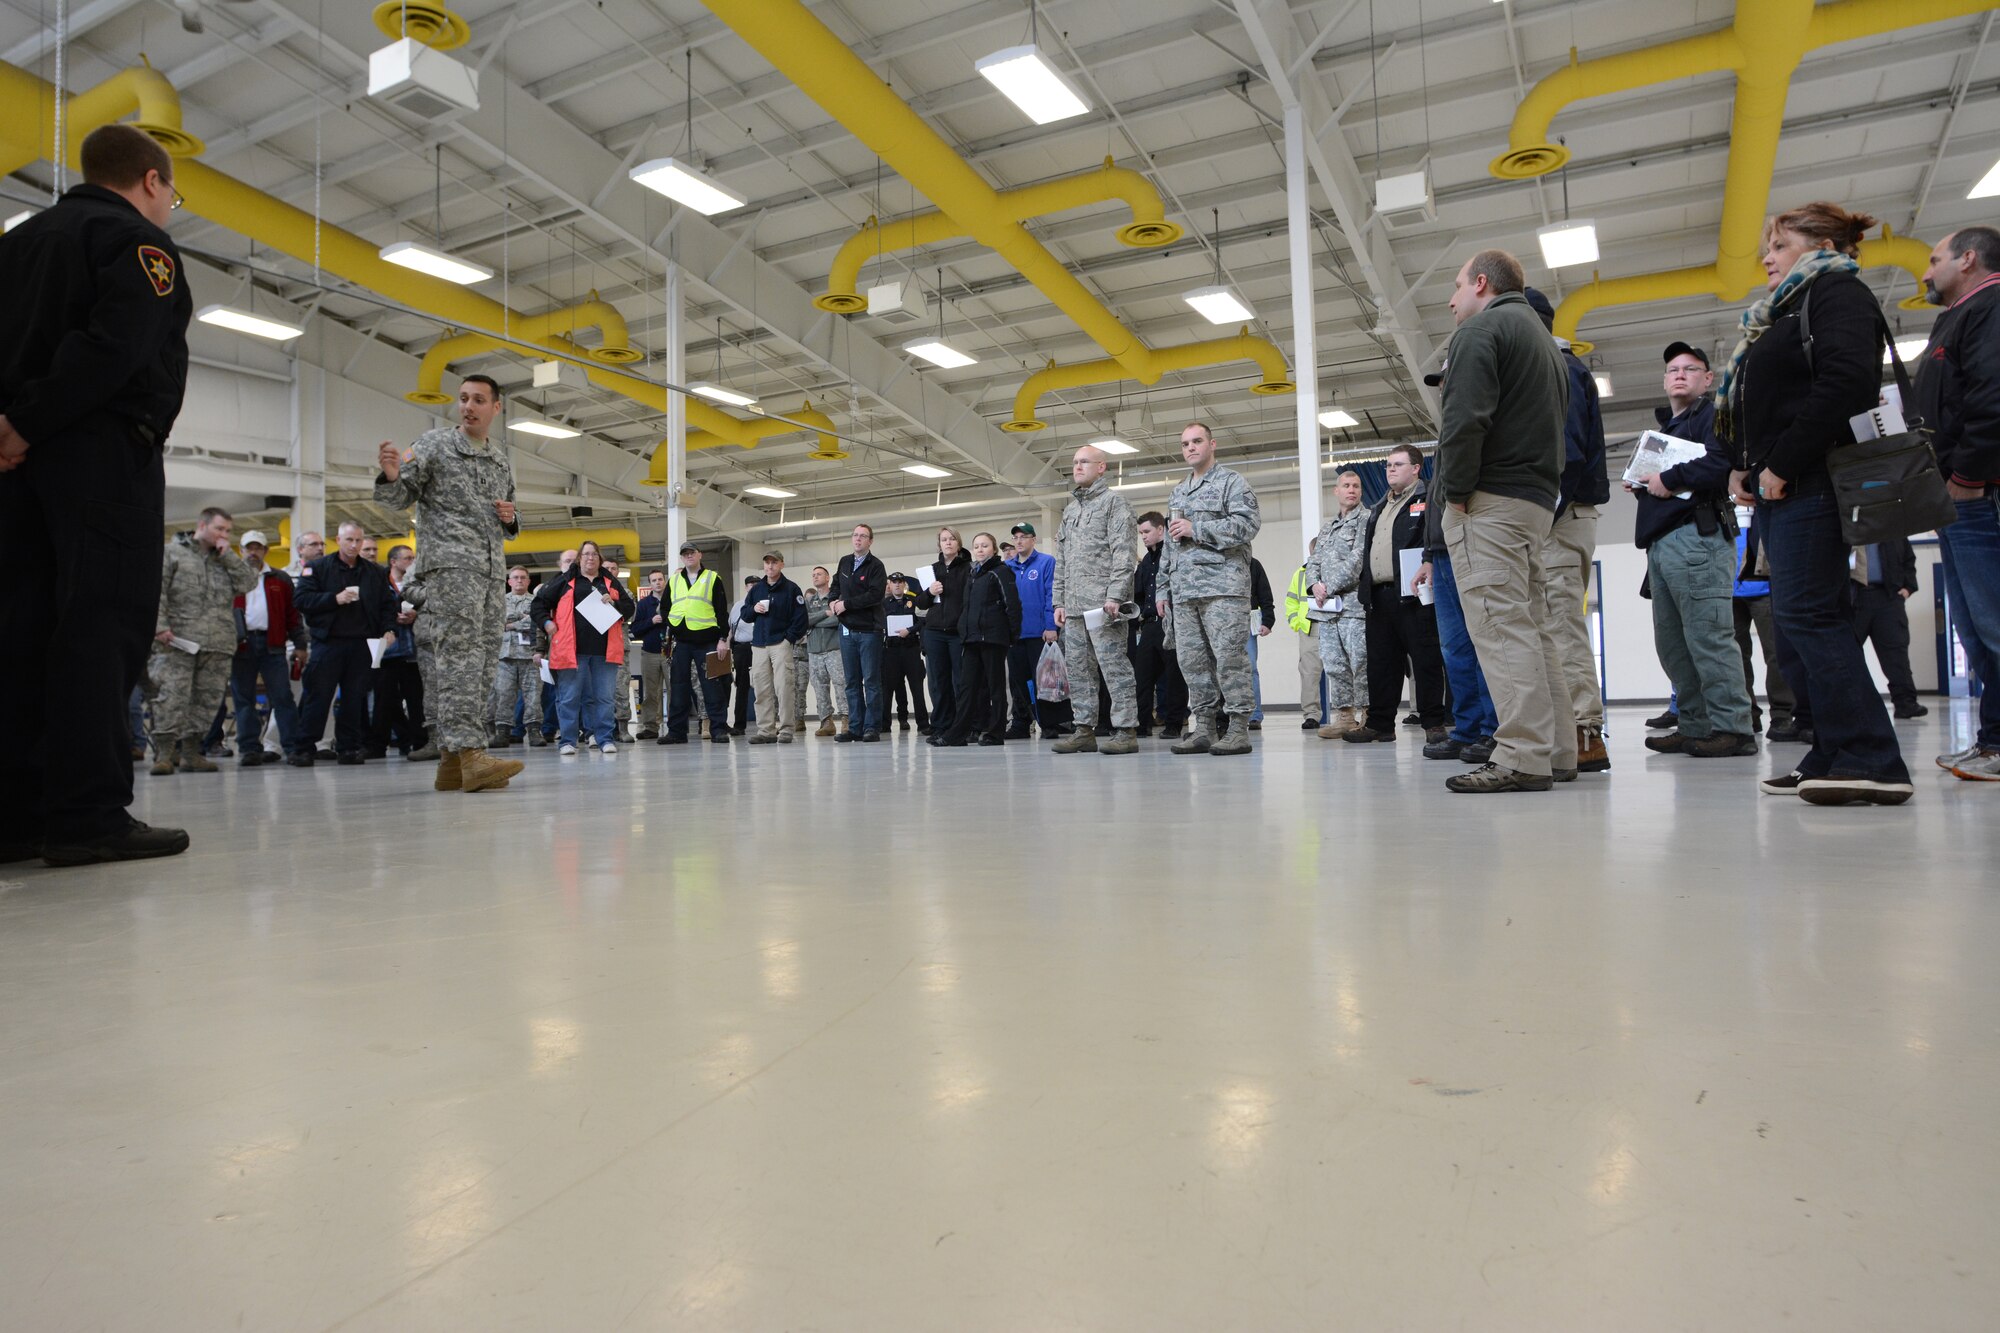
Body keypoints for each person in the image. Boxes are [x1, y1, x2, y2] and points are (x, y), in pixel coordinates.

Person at [0, 124, 195, 865]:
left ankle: (16, 815)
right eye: (172, 192)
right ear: (152, 180)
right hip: (100, 456)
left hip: (14, 466)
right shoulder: (132, 241)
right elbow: (116, 344)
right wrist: (34, 419)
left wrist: (12, 428)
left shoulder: (17, 244)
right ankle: (86, 812)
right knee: (99, 627)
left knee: (18, 628)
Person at [1721, 201, 1913, 805]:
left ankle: (1870, 758)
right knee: (1803, 621)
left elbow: (1847, 383)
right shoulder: (1785, 310)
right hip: (1786, 483)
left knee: (1810, 617)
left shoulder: (1837, 293)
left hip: (1813, 480)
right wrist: (1749, 467)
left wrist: (1781, 462)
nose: (1767, 258)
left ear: (1822, 242)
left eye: (1778, 245)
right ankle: (1831, 750)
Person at [1434, 249, 1578, 793]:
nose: (1451, 301)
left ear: (1480, 283)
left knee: (1499, 625)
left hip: (1489, 501)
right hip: (1536, 500)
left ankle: (1520, 756)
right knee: (1534, 628)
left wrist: (1457, 493)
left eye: (1455, 288)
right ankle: (1558, 749)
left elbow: (1465, 423)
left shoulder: (1480, 332)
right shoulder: (1544, 341)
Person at [373, 375, 524, 792]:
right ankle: (471, 754)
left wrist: (511, 518)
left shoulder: (499, 458)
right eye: (463, 399)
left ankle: (450, 764)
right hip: (452, 568)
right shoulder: (434, 445)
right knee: (458, 659)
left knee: (482, 661)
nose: (468, 406)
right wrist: (390, 476)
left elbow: (510, 519)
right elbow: (398, 497)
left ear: (496, 408)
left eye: (478, 400)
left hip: (492, 571)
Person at [1633, 341, 1759, 759]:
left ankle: (1733, 728)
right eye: (1672, 369)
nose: (1679, 374)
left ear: (1708, 379)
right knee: (1673, 644)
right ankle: (1695, 725)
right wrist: (1644, 482)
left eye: (1690, 368)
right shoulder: (1667, 430)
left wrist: (1668, 478)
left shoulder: (1713, 417)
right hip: (1664, 543)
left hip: (1697, 537)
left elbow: (1723, 461)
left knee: (1709, 637)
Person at [1915, 225, 2000, 780]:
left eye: (1934, 259)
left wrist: (1969, 476)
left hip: (1977, 494)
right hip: (1956, 496)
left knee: (1994, 626)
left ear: (1967, 259)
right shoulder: (1959, 316)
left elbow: (1993, 396)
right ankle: (1994, 742)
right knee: (1978, 632)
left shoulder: (1990, 306)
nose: (1924, 271)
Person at [1524, 287, 1611, 772]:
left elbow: (1569, 453)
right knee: (1550, 625)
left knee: (1561, 625)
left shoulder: (1564, 371)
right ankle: (1565, 729)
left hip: (1562, 513)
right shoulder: (1556, 370)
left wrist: (1541, 514)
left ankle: (1585, 733)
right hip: (1559, 514)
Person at [1156, 421, 1263, 756]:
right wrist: (1162, 588)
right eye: (1185, 443)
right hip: (1185, 592)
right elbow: (1170, 545)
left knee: (1230, 659)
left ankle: (1237, 728)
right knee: (1193, 662)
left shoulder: (1232, 482)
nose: (1191, 447)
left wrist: (1196, 527)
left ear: (1212, 444)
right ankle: (1203, 726)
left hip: (1223, 587)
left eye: (1197, 441)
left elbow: (1247, 525)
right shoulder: (1178, 491)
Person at [1349, 444, 1448, 745]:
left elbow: (1435, 536)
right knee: (1381, 663)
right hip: (1379, 596)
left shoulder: (1428, 496)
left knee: (1425, 659)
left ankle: (1433, 722)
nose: (1390, 469)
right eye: (1388, 465)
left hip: (1415, 593)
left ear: (1416, 468)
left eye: (1398, 464)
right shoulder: (1379, 506)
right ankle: (1380, 724)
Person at [148, 507, 258, 776]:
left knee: (206, 702)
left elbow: (248, 583)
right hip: (176, 641)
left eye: (228, 531)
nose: (224, 535)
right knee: (171, 697)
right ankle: (163, 754)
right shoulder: (172, 552)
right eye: (219, 529)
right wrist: (159, 627)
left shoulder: (225, 560)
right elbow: (156, 590)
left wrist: (229, 555)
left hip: (217, 642)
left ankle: (191, 753)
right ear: (202, 525)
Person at [1051, 444, 1140, 755]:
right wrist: (1058, 601)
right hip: (1073, 608)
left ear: (1102, 467)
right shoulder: (1071, 510)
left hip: (1104, 606)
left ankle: (1126, 730)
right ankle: (1084, 729)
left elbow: (1124, 554)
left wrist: (1115, 596)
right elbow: (1061, 559)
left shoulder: (1115, 504)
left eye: (1084, 461)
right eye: (1075, 462)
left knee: (1114, 667)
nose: (1077, 467)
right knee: (1078, 670)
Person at [295, 522, 398, 764]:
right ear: (338, 540)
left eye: (358, 541)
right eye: (349, 540)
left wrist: (389, 629)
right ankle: (304, 748)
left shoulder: (374, 572)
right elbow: (301, 600)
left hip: (362, 644)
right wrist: (334, 598)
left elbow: (387, 605)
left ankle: (349, 748)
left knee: (354, 698)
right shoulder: (318, 568)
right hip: (328, 643)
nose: (354, 545)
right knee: (318, 697)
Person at [532, 539, 633, 755]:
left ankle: (605, 738)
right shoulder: (565, 580)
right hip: (571, 651)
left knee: (604, 698)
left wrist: (614, 603)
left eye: (594, 554)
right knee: (569, 697)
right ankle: (568, 741)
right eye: (586, 554)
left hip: (604, 651)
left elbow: (629, 608)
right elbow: (538, 604)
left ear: (599, 559)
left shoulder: (609, 581)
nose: (590, 558)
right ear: (580, 558)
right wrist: (547, 623)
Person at [932, 533, 1020, 746]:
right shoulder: (973, 574)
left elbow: (1013, 605)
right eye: (977, 546)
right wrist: (964, 630)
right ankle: (958, 733)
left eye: (985, 546)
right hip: (971, 639)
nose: (980, 549)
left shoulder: (1001, 572)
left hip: (993, 638)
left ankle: (995, 732)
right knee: (967, 687)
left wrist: (1011, 635)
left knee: (995, 687)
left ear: (993, 549)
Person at [229, 530, 306, 766]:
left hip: (272, 644)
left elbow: (293, 615)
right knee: (244, 699)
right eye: (248, 548)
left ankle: (292, 748)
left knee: (283, 697)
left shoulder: (279, 578)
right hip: (240, 645)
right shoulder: (230, 578)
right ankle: (249, 749)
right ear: (241, 550)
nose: (253, 553)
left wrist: (300, 645)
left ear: (265, 550)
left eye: (257, 548)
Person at [1305, 470, 1371, 739]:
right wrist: (1314, 586)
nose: (1351, 490)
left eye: (1356, 485)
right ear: (1336, 491)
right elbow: (1314, 561)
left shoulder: (1366, 519)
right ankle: (1344, 716)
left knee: (1361, 661)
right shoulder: (1327, 528)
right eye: (1346, 485)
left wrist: (1328, 586)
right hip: (1328, 610)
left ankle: (1369, 714)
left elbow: (1358, 559)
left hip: (1354, 606)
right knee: (1334, 663)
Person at [1732, 510, 1798, 739]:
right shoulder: (1721, 502)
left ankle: (1782, 714)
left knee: (1776, 654)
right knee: (1735, 657)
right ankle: (1747, 715)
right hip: (1728, 589)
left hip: (1766, 588)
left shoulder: (1765, 503)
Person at [662, 542, 732, 745]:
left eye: (692, 552)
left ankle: (718, 729)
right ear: (681, 558)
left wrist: (722, 639)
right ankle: (676, 731)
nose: (689, 556)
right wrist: (673, 624)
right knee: (678, 687)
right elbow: (665, 607)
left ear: (700, 555)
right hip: (682, 642)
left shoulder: (712, 578)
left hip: (707, 641)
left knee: (712, 687)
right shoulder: (674, 580)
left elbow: (721, 611)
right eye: (685, 553)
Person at [1848, 539, 1925, 718]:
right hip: (1854, 598)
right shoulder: (1849, 530)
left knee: (1896, 653)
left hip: (1888, 597)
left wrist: (1908, 587)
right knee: (1847, 653)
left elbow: (1908, 560)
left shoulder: (1894, 531)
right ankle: (1851, 705)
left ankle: (1906, 703)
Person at [368, 544, 430, 760]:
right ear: (393, 561)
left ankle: (419, 742)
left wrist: (416, 615)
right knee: (385, 700)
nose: (411, 562)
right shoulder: (379, 583)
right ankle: (380, 744)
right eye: (407, 558)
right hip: (387, 651)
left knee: (416, 700)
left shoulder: (418, 585)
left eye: (413, 557)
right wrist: (389, 619)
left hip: (413, 650)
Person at [1130, 512, 1189, 739]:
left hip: (1172, 623)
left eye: (1147, 532)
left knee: (1174, 676)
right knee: (1142, 677)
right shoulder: (1145, 562)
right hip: (1150, 625)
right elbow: (1139, 594)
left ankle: (1174, 723)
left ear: (1161, 530)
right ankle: (1142, 724)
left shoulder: (1174, 555)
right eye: (1141, 533)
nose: (1143, 537)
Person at [1005, 521, 1065, 738]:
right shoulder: (1008, 567)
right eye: (1016, 537)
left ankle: (1049, 724)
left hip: (1039, 634)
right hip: (1014, 635)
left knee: (1043, 681)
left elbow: (1052, 595)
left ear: (1033, 539)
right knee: (1018, 682)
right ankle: (1021, 723)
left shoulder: (1046, 562)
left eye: (1024, 536)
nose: (1019, 541)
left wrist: (1051, 626)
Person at [743, 551, 809, 745]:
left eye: (774, 562)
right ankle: (766, 730)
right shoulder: (756, 590)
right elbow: (746, 615)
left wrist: (788, 639)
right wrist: (753, 609)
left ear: (782, 565)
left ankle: (787, 728)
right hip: (759, 645)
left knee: (784, 687)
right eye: (767, 563)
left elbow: (801, 619)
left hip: (780, 643)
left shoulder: (791, 589)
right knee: (761, 690)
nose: (770, 566)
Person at [831, 523, 889, 742]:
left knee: (871, 681)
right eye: (855, 535)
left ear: (870, 541)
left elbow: (875, 595)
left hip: (869, 630)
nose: (858, 539)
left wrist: (846, 604)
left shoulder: (876, 566)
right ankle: (854, 727)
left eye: (863, 536)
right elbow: (836, 585)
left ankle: (871, 727)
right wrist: (833, 600)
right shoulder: (845, 562)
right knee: (851, 682)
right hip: (846, 629)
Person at [916, 527, 972, 738]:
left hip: (958, 632)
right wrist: (929, 592)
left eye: (952, 539)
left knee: (961, 681)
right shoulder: (931, 570)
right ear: (939, 544)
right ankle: (940, 725)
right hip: (934, 632)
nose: (948, 543)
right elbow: (920, 603)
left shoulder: (969, 569)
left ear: (958, 543)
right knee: (938, 682)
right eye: (944, 540)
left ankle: (962, 725)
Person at [490, 565, 544, 748]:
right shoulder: (499, 601)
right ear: (509, 581)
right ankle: (502, 732)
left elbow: (537, 621)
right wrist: (522, 620)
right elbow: (494, 623)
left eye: (523, 577)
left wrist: (511, 624)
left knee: (533, 696)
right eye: (515, 577)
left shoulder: (537, 601)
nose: (519, 580)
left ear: (529, 581)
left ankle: (535, 731)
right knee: (504, 695)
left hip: (530, 656)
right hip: (505, 656)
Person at [803, 565, 849, 738]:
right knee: (819, 687)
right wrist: (824, 613)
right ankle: (826, 722)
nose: (815, 577)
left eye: (819, 574)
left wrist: (815, 622)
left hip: (834, 649)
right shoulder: (808, 601)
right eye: (813, 574)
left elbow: (839, 619)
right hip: (814, 651)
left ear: (828, 577)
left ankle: (846, 719)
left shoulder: (835, 597)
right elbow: (803, 621)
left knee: (840, 684)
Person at [881, 573, 930, 731]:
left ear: (904, 584)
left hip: (910, 648)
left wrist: (910, 630)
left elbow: (924, 620)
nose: (897, 585)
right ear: (889, 584)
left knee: (917, 688)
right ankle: (885, 724)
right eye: (894, 582)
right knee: (888, 690)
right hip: (891, 650)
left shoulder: (913, 601)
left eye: (900, 582)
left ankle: (923, 724)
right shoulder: (884, 603)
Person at [1283, 561, 1327, 732]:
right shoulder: (1301, 573)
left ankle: (1349, 714)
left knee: (1344, 670)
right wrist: (1297, 623)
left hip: (1336, 623)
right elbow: (1291, 601)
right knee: (1309, 672)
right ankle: (1311, 715)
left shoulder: (1339, 567)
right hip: (1310, 626)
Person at [633, 569, 669, 739]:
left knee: (675, 690)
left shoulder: (673, 601)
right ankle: (650, 727)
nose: (657, 582)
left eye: (660, 579)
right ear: (650, 584)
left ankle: (676, 725)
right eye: (654, 580)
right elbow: (635, 630)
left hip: (670, 652)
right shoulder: (643, 604)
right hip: (649, 652)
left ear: (665, 581)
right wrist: (651, 621)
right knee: (649, 692)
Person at [1241, 557, 1276, 731]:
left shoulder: (1253, 564)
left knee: (1251, 669)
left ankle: (1255, 715)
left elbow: (1264, 594)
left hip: (1248, 621)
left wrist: (1268, 621)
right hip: (1222, 622)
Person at [726, 576, 758, 735]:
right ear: (746, 587)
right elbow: (731, 629)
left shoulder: (766, 603)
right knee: (741, 685)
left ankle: (770, 722)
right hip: (741, 647)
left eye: (756, 585)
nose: (753, 587)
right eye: (750, 585)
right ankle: (739, 725)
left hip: (760, 646)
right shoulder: (738, 606)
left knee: (767, 685)